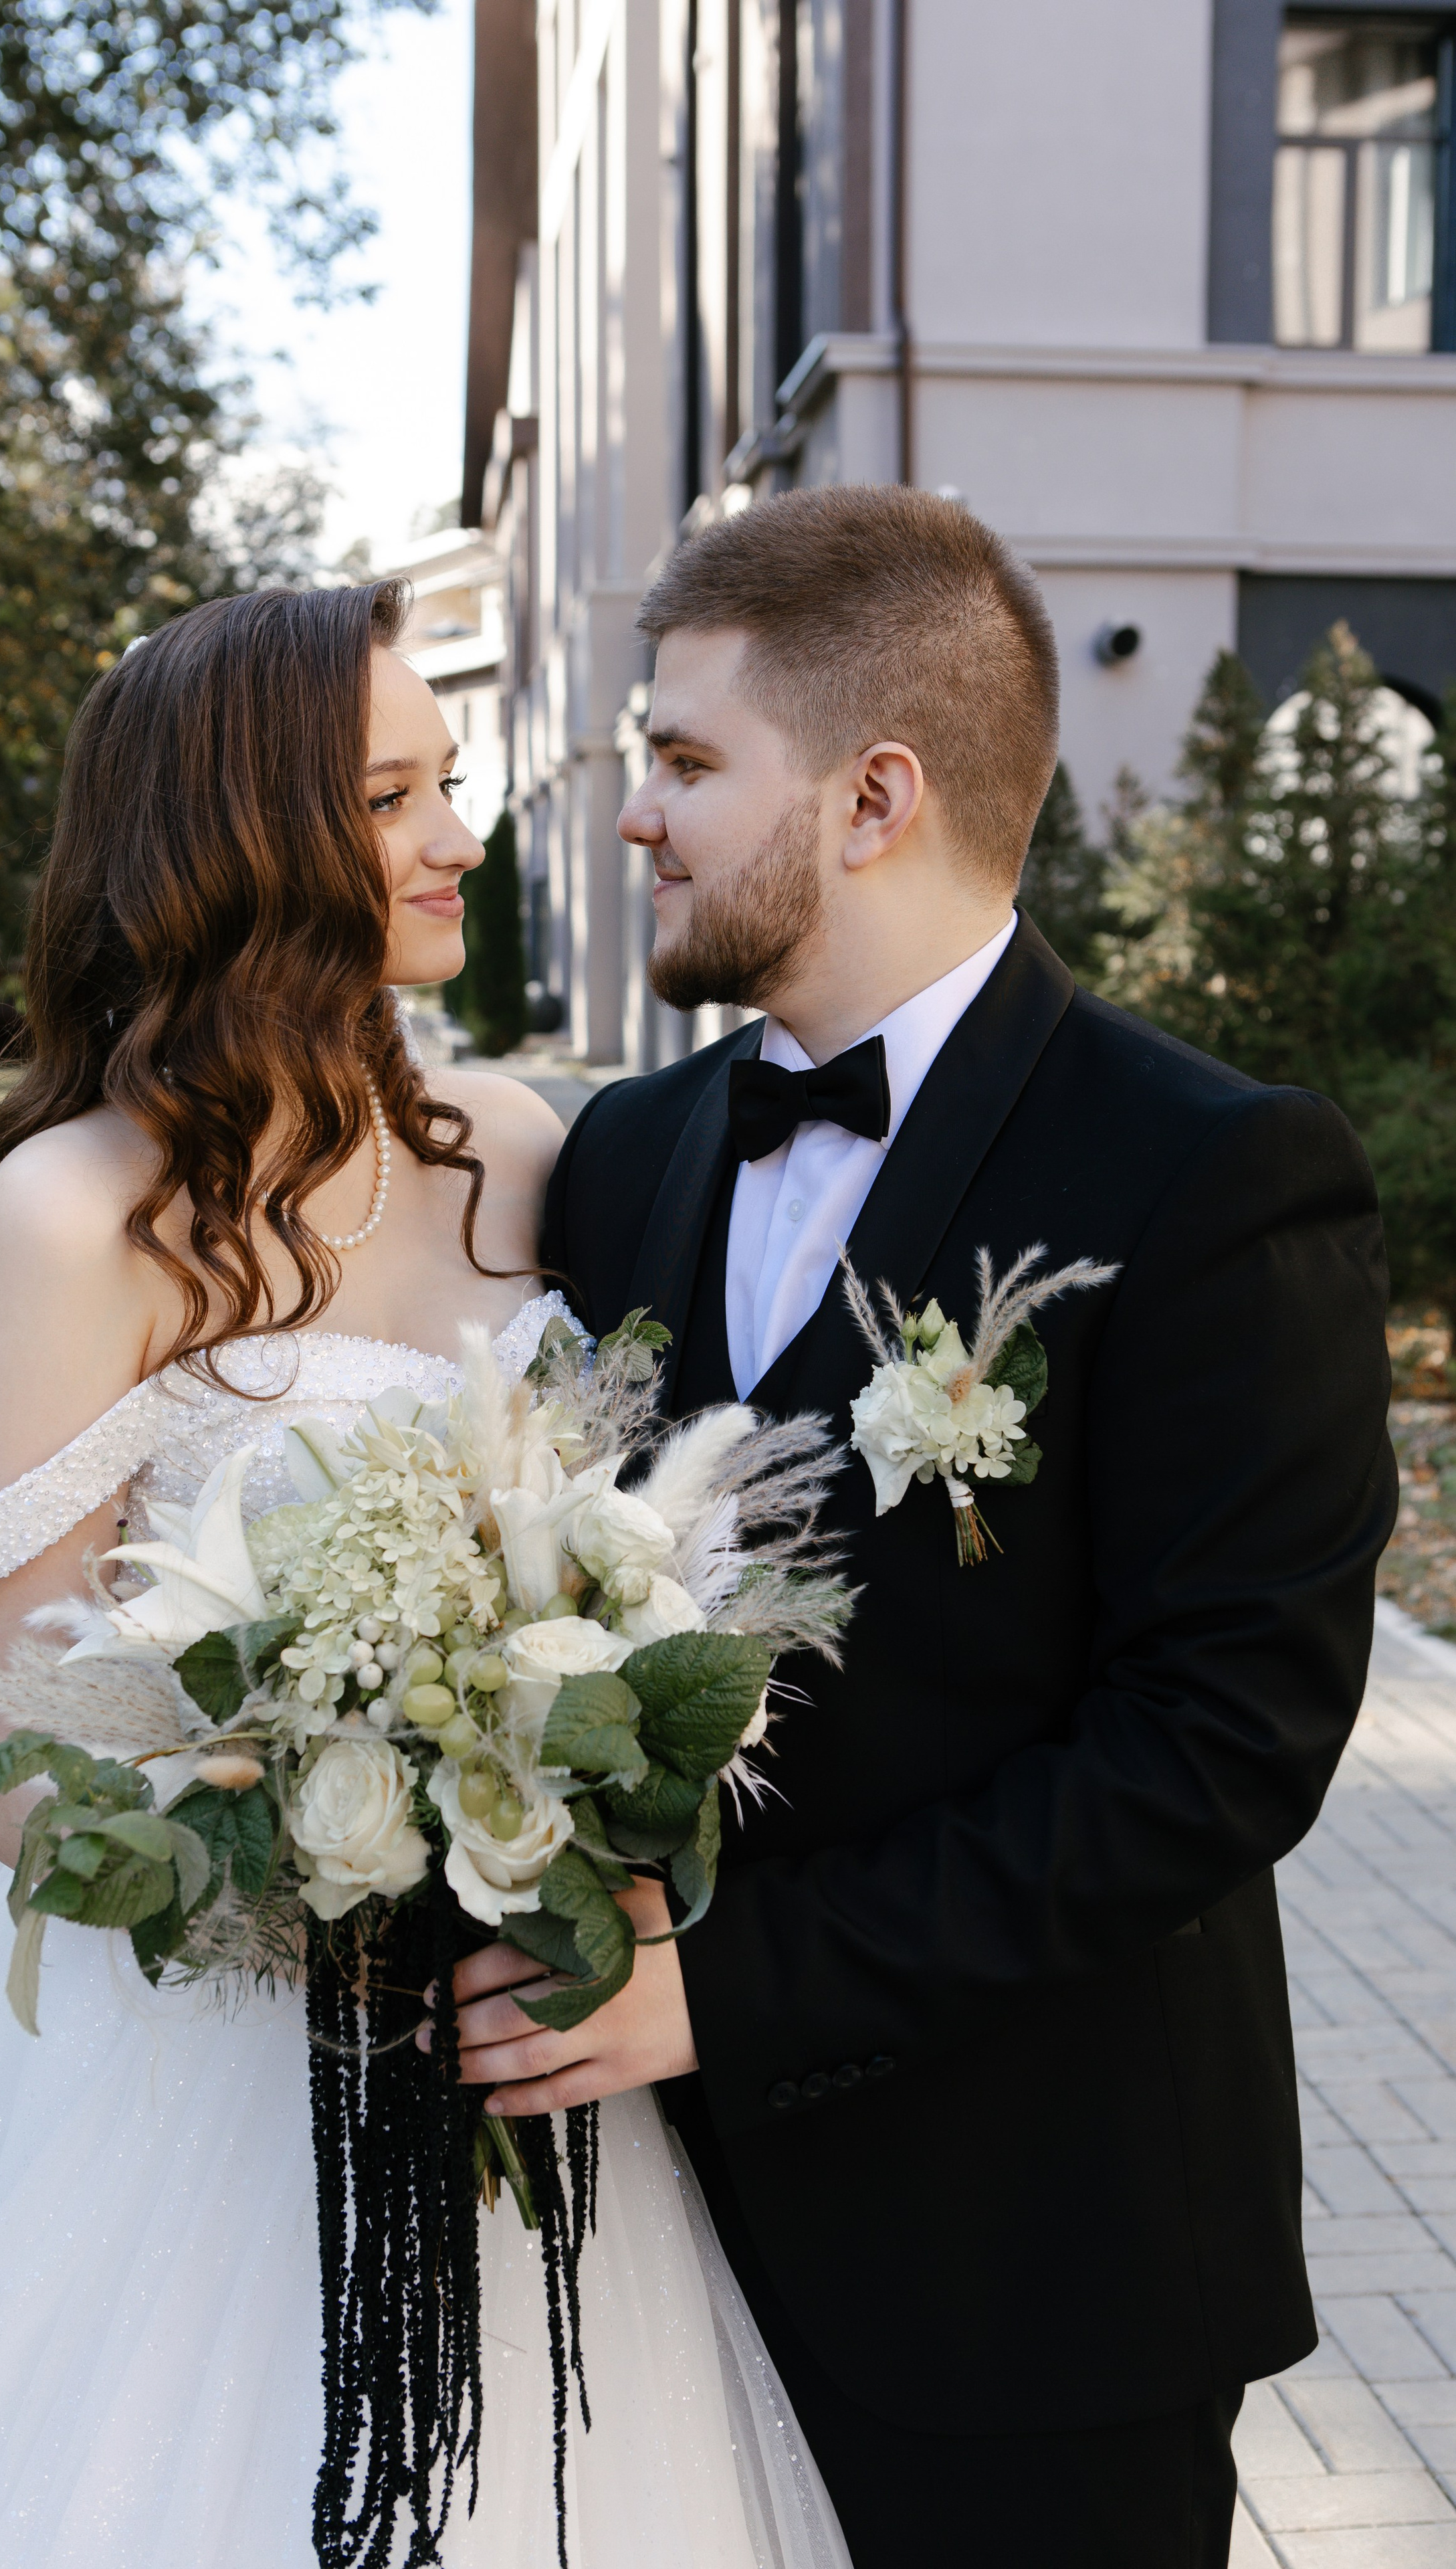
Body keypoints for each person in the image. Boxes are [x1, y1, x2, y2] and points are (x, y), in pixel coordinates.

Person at [0, 583, 851, 2569]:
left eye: (454, 784)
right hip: (207, 2080)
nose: (461, 838)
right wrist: (319, 1876)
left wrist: (556, 1802)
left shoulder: (516, 1145)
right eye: (393, 797)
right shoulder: (76, 1214)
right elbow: (4, 1750)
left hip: (525, 2045)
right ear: (244, 839)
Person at [499, 485, 1397, 2569]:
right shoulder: (623, 1160)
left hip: (1037, 2269)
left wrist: (731, 1982)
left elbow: (1220, 1748)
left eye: (688, 761)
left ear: (876, 794)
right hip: (643, 2245)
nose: (638, 815)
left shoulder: (1214, 1173)